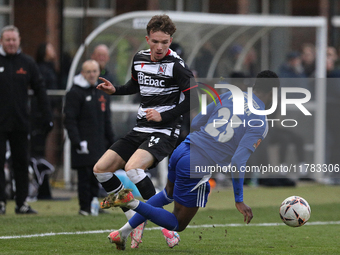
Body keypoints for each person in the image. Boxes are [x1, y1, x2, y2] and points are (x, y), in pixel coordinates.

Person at [99, 70, 280, 250]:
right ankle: (130, 201)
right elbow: (238, 162)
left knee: (167, 194)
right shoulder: (260, 122)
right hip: (198, 163)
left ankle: (122, 233)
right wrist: (239, 199)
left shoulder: (231, 96)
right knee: (177, 223)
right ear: (273, 93)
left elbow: (198, 121)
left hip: (183, 149)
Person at [93, 14, 198, 248]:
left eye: (165, 42)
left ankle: (164, 228)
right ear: (147, 39)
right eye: (155, 41)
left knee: (132, 168)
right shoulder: (139, 58)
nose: (160, 47)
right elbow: (134, 85)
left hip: (165, 130)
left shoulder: (177, 65)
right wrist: (116, 90)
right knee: (100, 170)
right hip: (141, 127)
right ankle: (134, 219)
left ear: (171, 40)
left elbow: (195, 100)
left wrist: (164, 115)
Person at [0, 25, 53, 214]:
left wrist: (47, 115)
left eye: (14, 40)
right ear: (2, 41)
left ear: (19, 40)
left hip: (21, 123)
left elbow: (40, 90)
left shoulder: (27, 63)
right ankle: (1, 203)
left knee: (21, 162)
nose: (11, 43)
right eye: (8, 40)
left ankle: (21, 203)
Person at [64, 60, 115, 216]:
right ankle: (84, 207)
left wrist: (111, 141)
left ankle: (95, 205)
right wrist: (77, 141)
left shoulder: (102, 93)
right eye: (88, 71)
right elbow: (70, 119)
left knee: (98, 175)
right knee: (84, 176)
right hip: (83, 143)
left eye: (94, 71)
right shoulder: (75, 93)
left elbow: (107, 119)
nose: (92, 74)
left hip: (99, 143)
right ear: (82, 73)